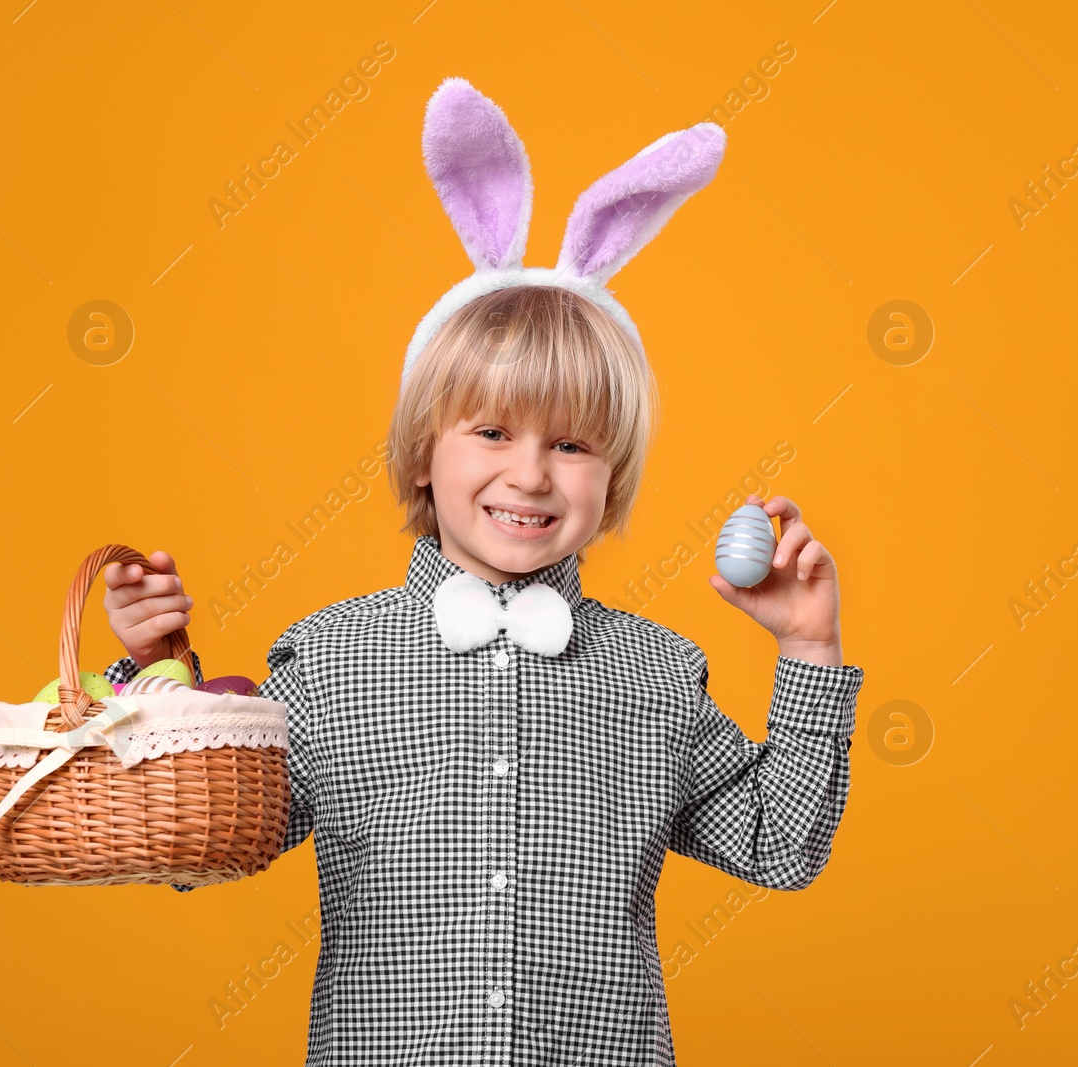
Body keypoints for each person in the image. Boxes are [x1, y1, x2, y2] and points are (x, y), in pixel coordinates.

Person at [102, 78, 865, 1066]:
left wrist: (808, 646)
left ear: (613, 475)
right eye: (492, 430)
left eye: (576, 444)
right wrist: (156, 670)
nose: (531, 473)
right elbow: (197, 850)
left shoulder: (659, 672)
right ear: (425, 451)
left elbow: (779, 845)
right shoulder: (329, 660)